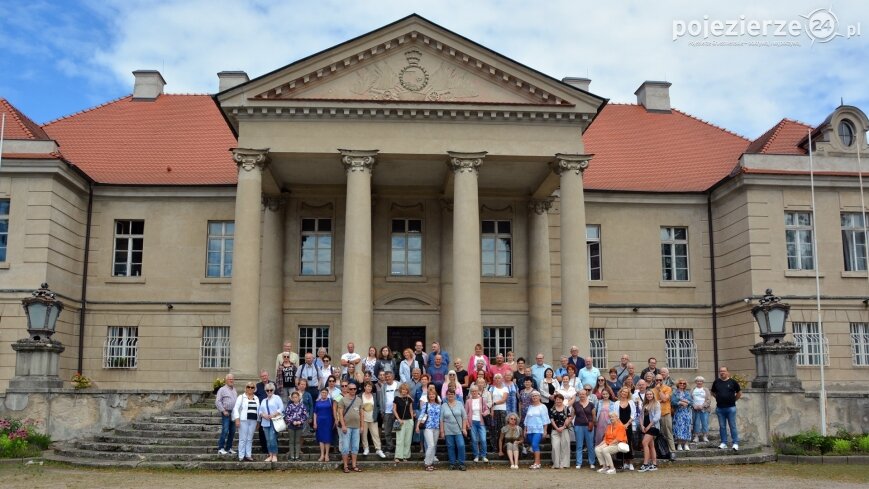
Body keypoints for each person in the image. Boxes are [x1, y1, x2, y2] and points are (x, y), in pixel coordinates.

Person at [711, 366, 741, 450]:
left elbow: (739, 393)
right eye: (720, 371)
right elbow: (712, 392)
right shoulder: (716, 382)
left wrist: (733, 400)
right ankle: (724, 442)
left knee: (732, 426)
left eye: (724, 371)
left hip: (731, 408)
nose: (722, 373)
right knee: (722, 426)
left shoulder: (733, 382)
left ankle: (735, 443)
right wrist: (718, 398)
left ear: (728, 372)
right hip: (720, 408)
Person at [337, 380, 363, 472]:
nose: (353, 390)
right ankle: (345, 466)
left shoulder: (359, 400)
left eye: (354, 389)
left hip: (356, 427)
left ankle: (354, 465)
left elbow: (361, 414)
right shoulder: (342, 400)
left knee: (355, 447)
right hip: (347, 427)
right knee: (345, 447)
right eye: (351, 389)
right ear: (348, 389)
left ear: (356, 389)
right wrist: (343, 426)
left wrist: (362, 426)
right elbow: (340, 414)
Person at [441, 388, 468, 470]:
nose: (450, 396)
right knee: (450, 446)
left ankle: (461, 463)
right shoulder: (443, 405)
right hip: (448, 429)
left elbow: (464, 417)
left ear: (455, 395)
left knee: (461, 445)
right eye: (449, 394)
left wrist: (464, 428)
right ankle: (452, 463)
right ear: (446, 395)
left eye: (452, 394)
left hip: (458, 429)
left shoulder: (460, 404)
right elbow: (441, 419)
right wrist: (442, 431)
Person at [594, 410, 628, 475]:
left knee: (605, 450)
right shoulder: (609, 426)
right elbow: (605, 439)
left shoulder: (621, 426)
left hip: (618, 444)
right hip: (609, 443)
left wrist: (608, 445)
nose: (611, 418)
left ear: (617, 417)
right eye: (610, 417)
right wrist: (599, 445)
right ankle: (605, 467)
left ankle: (612, 468)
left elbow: (618, 439)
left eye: (613, 417)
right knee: (597, 449)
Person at [232, 381, 258, 462]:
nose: (250, 389)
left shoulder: (256, 398)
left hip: (253, 420)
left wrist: (259, 421)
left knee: (250, 439)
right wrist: (237, 419)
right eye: (248, 387)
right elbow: (236, 408)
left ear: (254, 389)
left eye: (252, 387)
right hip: (243, 420)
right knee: (243, 438)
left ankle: (248, 455)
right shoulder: (241, 397)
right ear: (246, 388)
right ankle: (241, 456)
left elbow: (259, 410)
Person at [523, 390, 550, 470]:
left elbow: (545, 419)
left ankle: (537, 462)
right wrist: (525, 429)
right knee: (534, 446)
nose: (534, 397)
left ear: (539, 397)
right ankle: (538, 463)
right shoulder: (530, 407)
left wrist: (545, 430)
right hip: (530, 429)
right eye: (533, 396)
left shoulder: (543, 407)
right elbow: (526, 419)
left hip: (538, 429)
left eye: (536, 396)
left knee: (535, 444)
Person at [417, 387, 442, 471]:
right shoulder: (426, 404)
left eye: (433, 394)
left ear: (436, 395)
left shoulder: (439, 405)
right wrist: (417, 426)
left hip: (436, 427)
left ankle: (431, 463)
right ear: (428, 396)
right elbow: (421, 415)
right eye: (430, 394)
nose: (431, 395)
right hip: (428, 427)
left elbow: (441, 417)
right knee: (430, 445)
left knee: (434, 446)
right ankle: (427, 463)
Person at [258, 382, 284, 462]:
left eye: (271, 390)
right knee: (268, 439)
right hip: (265, 422)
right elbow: (259, 411)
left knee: (272, 438)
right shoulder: (263, 400)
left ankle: (275, 454)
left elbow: (281, 408)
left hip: (274, 421)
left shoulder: (277, 398)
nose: (269, 392)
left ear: (273, 390)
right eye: (267, 390)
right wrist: (264, 415)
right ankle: (270, 455)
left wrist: (274, 414)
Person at [360, 380, 386, 458]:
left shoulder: (374, 395)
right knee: (364, 435)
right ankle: (366, 448)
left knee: (375, 434)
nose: (369, 388)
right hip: (363, 418)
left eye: (370, 387)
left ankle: (378, 449)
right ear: (364, 387)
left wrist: (377, 412)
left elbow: (378, 405)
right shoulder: (360, 395)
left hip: (373, 418)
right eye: (368, 386)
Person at [464, 385, 490, 463]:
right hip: (472, 422)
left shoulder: (482, 399)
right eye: (472, 391)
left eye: (475, 391)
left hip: (481, 422)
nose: (474, 392)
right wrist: (467, 424)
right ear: (471, 392)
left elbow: (487, 409)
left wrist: (484, 413)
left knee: (483, 439)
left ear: (478, 391)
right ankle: (476, 455)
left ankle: (483, 455)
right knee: (474, 440)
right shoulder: (468, 401)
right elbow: (465, 413)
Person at [573, 387, 597, 469]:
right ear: (578, 395)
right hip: (578, 425)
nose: (582, 395)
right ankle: (579, 462)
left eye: (583, 394)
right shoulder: (575, 404)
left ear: (586, 394)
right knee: (579, 445)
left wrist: (594, 424)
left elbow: (594, 416)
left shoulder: (591, 404)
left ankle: (592, 462)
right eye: (580, 394)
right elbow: (572, 415)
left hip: (588, 426)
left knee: (590, 445)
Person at [653, 372, 675, 457]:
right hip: (655, 414)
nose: (658, 381)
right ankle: (659, 452)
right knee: (655, 434)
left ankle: (672, 451)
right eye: (657, 380)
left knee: (668, 432)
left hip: (665, 413)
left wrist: (659, 390)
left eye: (660, 380)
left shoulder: (668, 388)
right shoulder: (652, 390)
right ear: (654, 380)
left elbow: (665, 399)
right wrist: (659, 401)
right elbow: (652, 402)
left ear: (663, 380)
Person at [638, 389, 661, 472]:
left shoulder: (656, 404)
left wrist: (648, 426)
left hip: (653, 427)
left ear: (653, 395)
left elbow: (657, 417)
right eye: (647, 394)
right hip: (645, 427)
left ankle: (645, 464)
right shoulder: (645, 405)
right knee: (651, 445)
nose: (649, 396)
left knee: (644, 443)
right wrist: (642, 425)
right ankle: (654, 464)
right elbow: (640, 416)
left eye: (650, 394)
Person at [215, 373, 237, 456]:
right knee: (225, 430)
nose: (231, 380)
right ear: (226, 380)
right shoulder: (222, 389)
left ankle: (228, 448)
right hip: (226, 412)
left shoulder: (234, 389)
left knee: (232, 431)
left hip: (234, 413)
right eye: (229, 379)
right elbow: (217, 401)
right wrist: (223, 410)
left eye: (232, 379)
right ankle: (221, 448)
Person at [378, 370, 400, 454]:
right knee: (387, 431)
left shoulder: (398, 384)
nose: (387, 378)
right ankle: (390, 447)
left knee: (398, 430)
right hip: (387, 412)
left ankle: (399, 447)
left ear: (393, 376)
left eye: (389, 376)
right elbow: (381, 399)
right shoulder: (383, 386)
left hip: (397, 413)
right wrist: (382, 411)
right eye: (386, 377)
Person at [393, 382, 415, 462]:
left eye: (406, 390)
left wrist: (412, 420)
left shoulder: (409, 399)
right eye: (403, 389)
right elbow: (394, 410)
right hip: (398, 421)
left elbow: (411, 410)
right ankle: (398, 456)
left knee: (407, 439)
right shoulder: (396, 398)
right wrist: (398, 419)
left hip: (408, 420)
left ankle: (405, 456)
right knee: (399, 439)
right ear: (400, 390)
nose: (404, 391)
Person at [549, 392, 572, 469]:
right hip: (555, 430)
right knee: (555, 447)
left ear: (562, 400)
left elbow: (569, 418)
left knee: (565, 447)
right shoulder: (552, 409)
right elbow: (551, 420)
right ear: (555, 400)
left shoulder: (566, 408)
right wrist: (557, 428)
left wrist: (563, 426)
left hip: (564, 430)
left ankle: (563, 463)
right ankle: (556, 464)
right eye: (557, 400)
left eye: (560, 400)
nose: (558, 401)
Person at [616, 387, 637, 470]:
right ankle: (623, 462)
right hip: (619, 426)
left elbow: (633, 414)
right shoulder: (617, 403)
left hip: (628, 425)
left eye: (626, 392)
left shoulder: (631, 402)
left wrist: (627, 424)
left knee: (629, 442)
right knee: (621, 443)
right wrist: (622, 425)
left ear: (628, 394)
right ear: (620, 393)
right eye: (623, 392)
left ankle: (630, 462)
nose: (624, 393)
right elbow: (616, 415)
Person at [283, 390, 308, 461]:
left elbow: (305, 415)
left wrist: (300, 421)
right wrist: (292, 421)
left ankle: (296, 456)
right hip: (291, 426)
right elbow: (286, 415)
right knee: (291, 441)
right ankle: (292, 456)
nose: (295, 398)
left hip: (299, 426)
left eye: (296, 397)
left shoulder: (302, 406)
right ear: (291, 398)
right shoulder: (290, 406)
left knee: (297, 441)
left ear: (299, 398)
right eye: (293, 397)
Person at [313, 387, 335, 461]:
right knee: (321, 438)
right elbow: (315, 413)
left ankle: (327, 455)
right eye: (322, 392)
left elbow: (334, 411)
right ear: (320, 393)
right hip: (320, 421)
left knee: (327, 438)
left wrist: (335, 421)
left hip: (328, 421)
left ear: (327, 393)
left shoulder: (330, 401)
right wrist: (315, 422)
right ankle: (322, 454)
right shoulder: (317, 402)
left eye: (325, 392)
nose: (324, 394)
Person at [671, 378, 694, 451]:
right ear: (678, 384)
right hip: (678, 412)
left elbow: (691, 402)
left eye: (684, 383)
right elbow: (673, 402)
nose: (682, 385)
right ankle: (679, 444)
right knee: (679, 428)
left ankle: (686, 444)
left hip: (687, 412)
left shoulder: (687, 393)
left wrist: (685, 402)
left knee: (687, 427)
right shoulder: (675, 392)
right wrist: (680, 402)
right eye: (681, 383)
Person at [490, 373, 509, 455]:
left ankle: (503, 448)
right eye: (496, 378)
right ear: (494, 380)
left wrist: (494, 403)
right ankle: (495, 448)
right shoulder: (491, 388)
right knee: (494, 430)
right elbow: (490, 400)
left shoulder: (505, 388)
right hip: (494, 410)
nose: (497, 379)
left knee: (502, 429)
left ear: (502, 379)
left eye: (499, 378)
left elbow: (503, 399)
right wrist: (492, 410)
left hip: (502, 410)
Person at [254, 370, 271, 453]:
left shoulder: (272, 384)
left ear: (268, 376)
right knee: (261, 431)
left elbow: (277, 395)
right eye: (262, 376)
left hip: (271, 412)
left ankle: (271, 448)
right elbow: (255, 397)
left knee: (272, 431)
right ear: (261, 377)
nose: (264, 377)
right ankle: (264, 448)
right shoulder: (258, 385)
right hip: (261, 412)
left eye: (265, 376)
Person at [691, 376, 712, 443]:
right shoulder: (693, 389)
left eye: (701, 381)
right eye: (698, 381)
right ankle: (696, 436)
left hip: (704, 409)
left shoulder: (706, 390)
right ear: (696, 382)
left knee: (705, 423)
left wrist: (702, 406)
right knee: (696, 423)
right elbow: (690, 399)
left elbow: (708, 400)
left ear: (703, 382)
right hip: (695, 409)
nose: (699, 382)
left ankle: (705, 436)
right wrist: (694, 405)